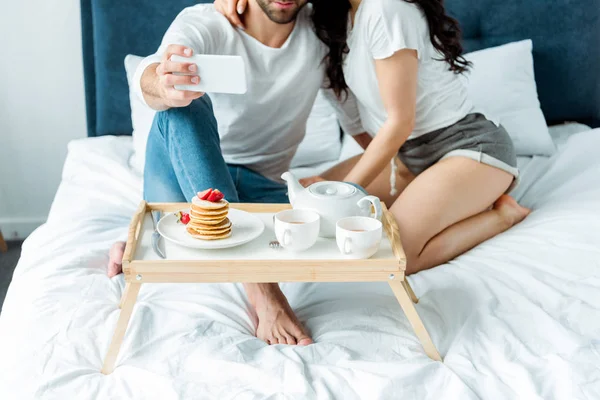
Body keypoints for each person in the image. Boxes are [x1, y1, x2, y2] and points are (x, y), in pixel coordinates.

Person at [107, 0, 368, 346]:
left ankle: (162, 234)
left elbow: (365, 130)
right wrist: (165, 85)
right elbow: (153, 71)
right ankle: (261, 288)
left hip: (261, 189)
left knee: (350, 209)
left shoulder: (323, 34)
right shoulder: (209, 23)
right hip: (181, 178)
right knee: (181, 106)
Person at [218, 0, 531, 275]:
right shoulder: (339, 19)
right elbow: (357, 122)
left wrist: (347, 190)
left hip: (469, 148)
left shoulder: (386, 7)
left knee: (397, 254)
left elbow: (400, 122)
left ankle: (503, 215)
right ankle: (447, 197)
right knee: (310, 205)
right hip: (409, 157)